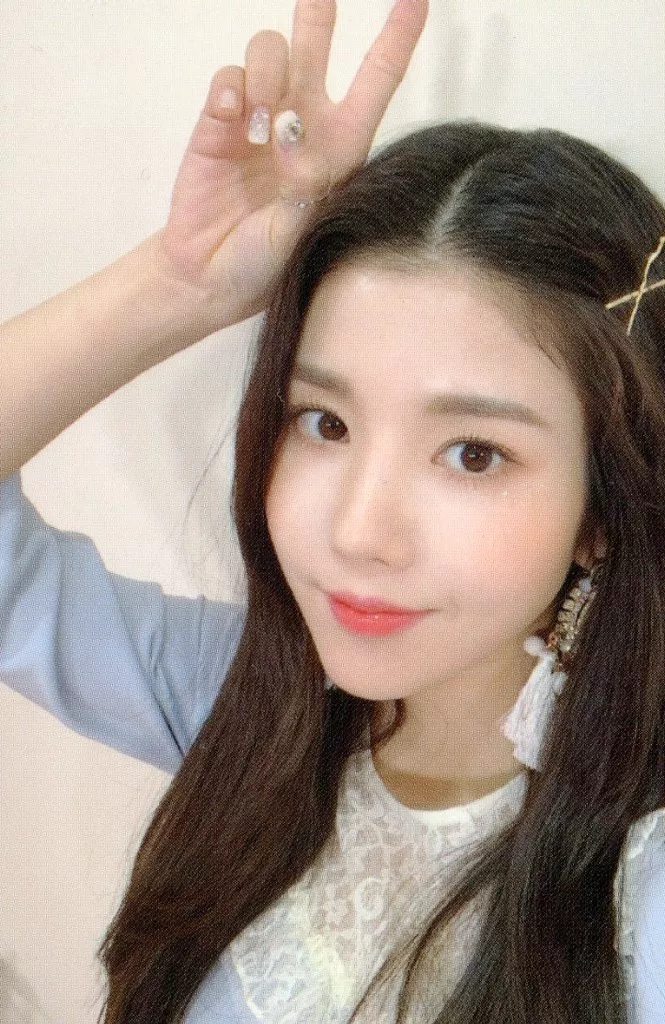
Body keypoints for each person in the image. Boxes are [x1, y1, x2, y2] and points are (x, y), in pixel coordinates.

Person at [1, 0, 664, 1021]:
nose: (358, 532)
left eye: (472, 453)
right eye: (325, 422)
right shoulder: (242, 705)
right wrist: (177, 283)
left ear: (602, 507)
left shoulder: (638, 887)